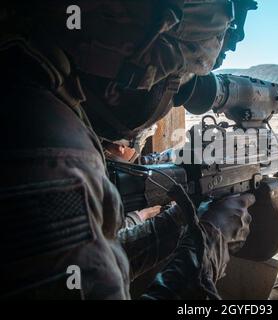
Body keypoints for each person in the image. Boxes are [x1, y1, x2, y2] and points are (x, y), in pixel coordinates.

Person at [0, 0, 256, 299]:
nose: (171, 99)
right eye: (177, 83)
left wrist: (176, 223)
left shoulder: (25, 88)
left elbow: (85, 272)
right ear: (123, 81)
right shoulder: (50, 148)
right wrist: (210, 246)